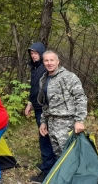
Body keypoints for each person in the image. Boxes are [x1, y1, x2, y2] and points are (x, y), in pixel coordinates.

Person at [38, 50, 87, 157]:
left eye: (52, 60)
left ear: (57, 61)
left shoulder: (68, 77)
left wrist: (80, 120)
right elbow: (45, 103)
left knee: (70, 155)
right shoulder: (43, 79)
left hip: (67, 122)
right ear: (43, 62)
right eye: (46, 60)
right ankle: (62, 174)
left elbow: (80, 97)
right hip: (51, 123)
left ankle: (76, 174)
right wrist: (43, 122)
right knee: (58, 155)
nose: (49, 63)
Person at [24, 42, 56, 183]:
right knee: (44, 136)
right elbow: (34, 88)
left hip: (46, 109)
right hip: (37, 107)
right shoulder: (35, 68)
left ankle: (48, 170)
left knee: (46, 139)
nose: (33, 55)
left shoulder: (46, 68)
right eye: (32, 53)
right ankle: (48, 164)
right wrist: (30, 103)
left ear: (42, 53)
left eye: (36, 53)